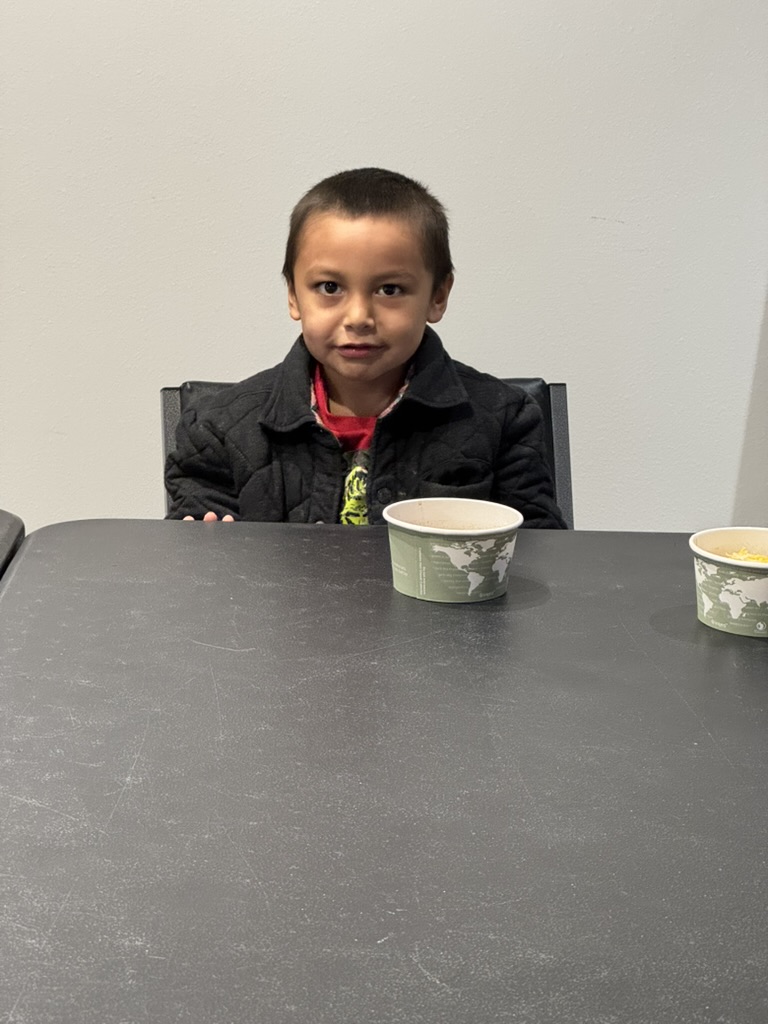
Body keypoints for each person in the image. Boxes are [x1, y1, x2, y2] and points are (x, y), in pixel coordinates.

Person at [165, 167, 566, 529]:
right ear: (293, 295)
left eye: (389, 289)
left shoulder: (504, 421)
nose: (358, 317)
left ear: (437, 296)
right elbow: (193, 557)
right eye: (330, 287)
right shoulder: (216, 429)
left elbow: (541, 556)